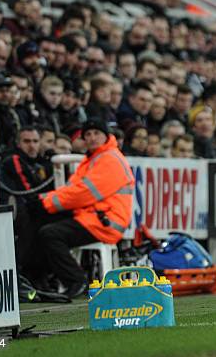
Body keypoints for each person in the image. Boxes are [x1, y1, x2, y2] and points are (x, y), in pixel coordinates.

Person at [27, 119, 135, 298]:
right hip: (93, 216)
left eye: (96, 133)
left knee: (50, 233)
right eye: (88, 134)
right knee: (38, 221)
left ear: (106, 136)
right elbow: (72, 189)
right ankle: (37, 277)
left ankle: (76, 280)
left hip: (105, 222)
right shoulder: (94, 158)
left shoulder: (109, 159)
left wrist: (45, 203)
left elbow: (82, 193)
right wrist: (42, 199)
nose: (92, 138)